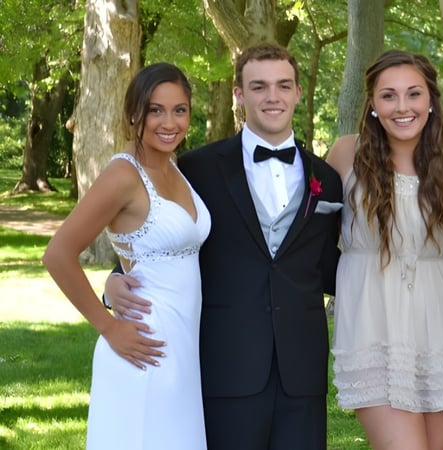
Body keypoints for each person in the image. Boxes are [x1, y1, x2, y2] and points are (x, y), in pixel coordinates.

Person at [105, 43, 343, 449]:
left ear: (298, 93)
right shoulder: (197, 168)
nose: (273, 97)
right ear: (239, 94)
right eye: (259, 86)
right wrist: (115, 279)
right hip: (225, 362)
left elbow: (330, 268)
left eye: (284, 86)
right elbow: (163, 230)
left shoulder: (327, 178)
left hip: (302, 369)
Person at [43, 63, 210, 449]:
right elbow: (58, 254)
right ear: (134, 113)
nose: (169, 122)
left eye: (179, 110)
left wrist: (113, 278)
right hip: (142, 349)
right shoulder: (124, 175)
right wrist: (109, 326)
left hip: (182, 351)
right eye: (156, 110)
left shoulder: (176, 170)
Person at [326, 49, 443, 450]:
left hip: (440, 324)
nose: (402, 107)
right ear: (373, 105)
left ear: (431, 100)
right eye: (388, 95)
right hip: (372, 320)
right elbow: (309, 240)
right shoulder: (345, 155)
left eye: (413, 94)